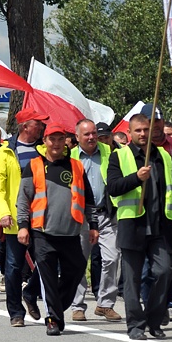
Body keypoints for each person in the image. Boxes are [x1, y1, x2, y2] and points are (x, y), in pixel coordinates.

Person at [17, 123, 98, 335]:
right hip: (42, 232)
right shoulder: (34, 165)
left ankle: (53, 307)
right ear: (44, 141)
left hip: (71, 233)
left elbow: (88, 199)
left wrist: (93, 225)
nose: (56, 143)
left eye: (60, 139)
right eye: (52, 139)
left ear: (66, 141)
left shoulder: (76, 166)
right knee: (49, 276)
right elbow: (24, 200)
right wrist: (22, 226)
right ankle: (52, 318)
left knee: (77, 269)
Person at [107, 112, 172, 341]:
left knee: (164, 271)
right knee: (132, 280)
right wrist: (136, 177)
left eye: (146, 130)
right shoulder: (120, 156)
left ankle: (154, 320)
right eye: (138, 130)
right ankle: (135, 325)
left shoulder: (163, 157)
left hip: (159, 227)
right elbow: (114, 188)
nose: (143, 134)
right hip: (133, 226)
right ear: (129, 133)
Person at [0, 108, 47, 327]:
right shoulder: (5, 152)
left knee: (46, 262)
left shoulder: (44, 150)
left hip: (42, 219)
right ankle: (15, 312)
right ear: (24, 126)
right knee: (13, 267)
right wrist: (4, 213)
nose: (41, 127)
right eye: (37, 124)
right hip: (15, 220)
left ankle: (30, 293)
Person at [68, 119, 121, 322]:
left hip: (106, 214)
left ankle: (105, 304)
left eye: (93, 134)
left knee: (112, 258)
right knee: (79, 262)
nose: (91, 137)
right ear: (77, 137)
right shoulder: (70, 157)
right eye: (87, 134)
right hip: (80, 216)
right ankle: (78, 305)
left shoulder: (110, 153)